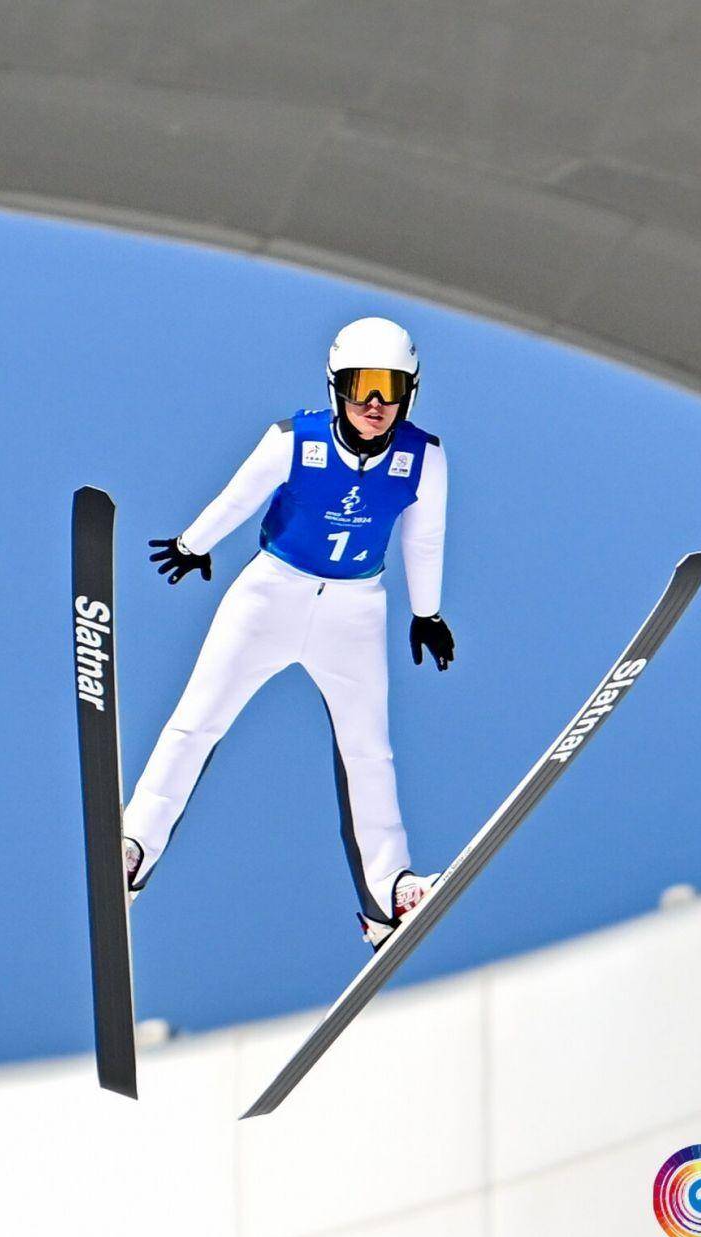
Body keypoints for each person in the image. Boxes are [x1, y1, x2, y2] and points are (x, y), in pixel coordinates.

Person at [121, 317, 454, 950]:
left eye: (389, 388)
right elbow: (239, 495)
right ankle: (135, 846)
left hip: (355, 610)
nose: (374, 405)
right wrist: (195, 544)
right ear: (337, 390)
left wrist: (427, 613)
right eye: (361, 388)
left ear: (409, 391)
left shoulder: (424, 458)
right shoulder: (293, 440)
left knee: (369, 751)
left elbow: (425, 537)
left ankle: (390, 895)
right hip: (270, 594)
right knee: (198, 719)